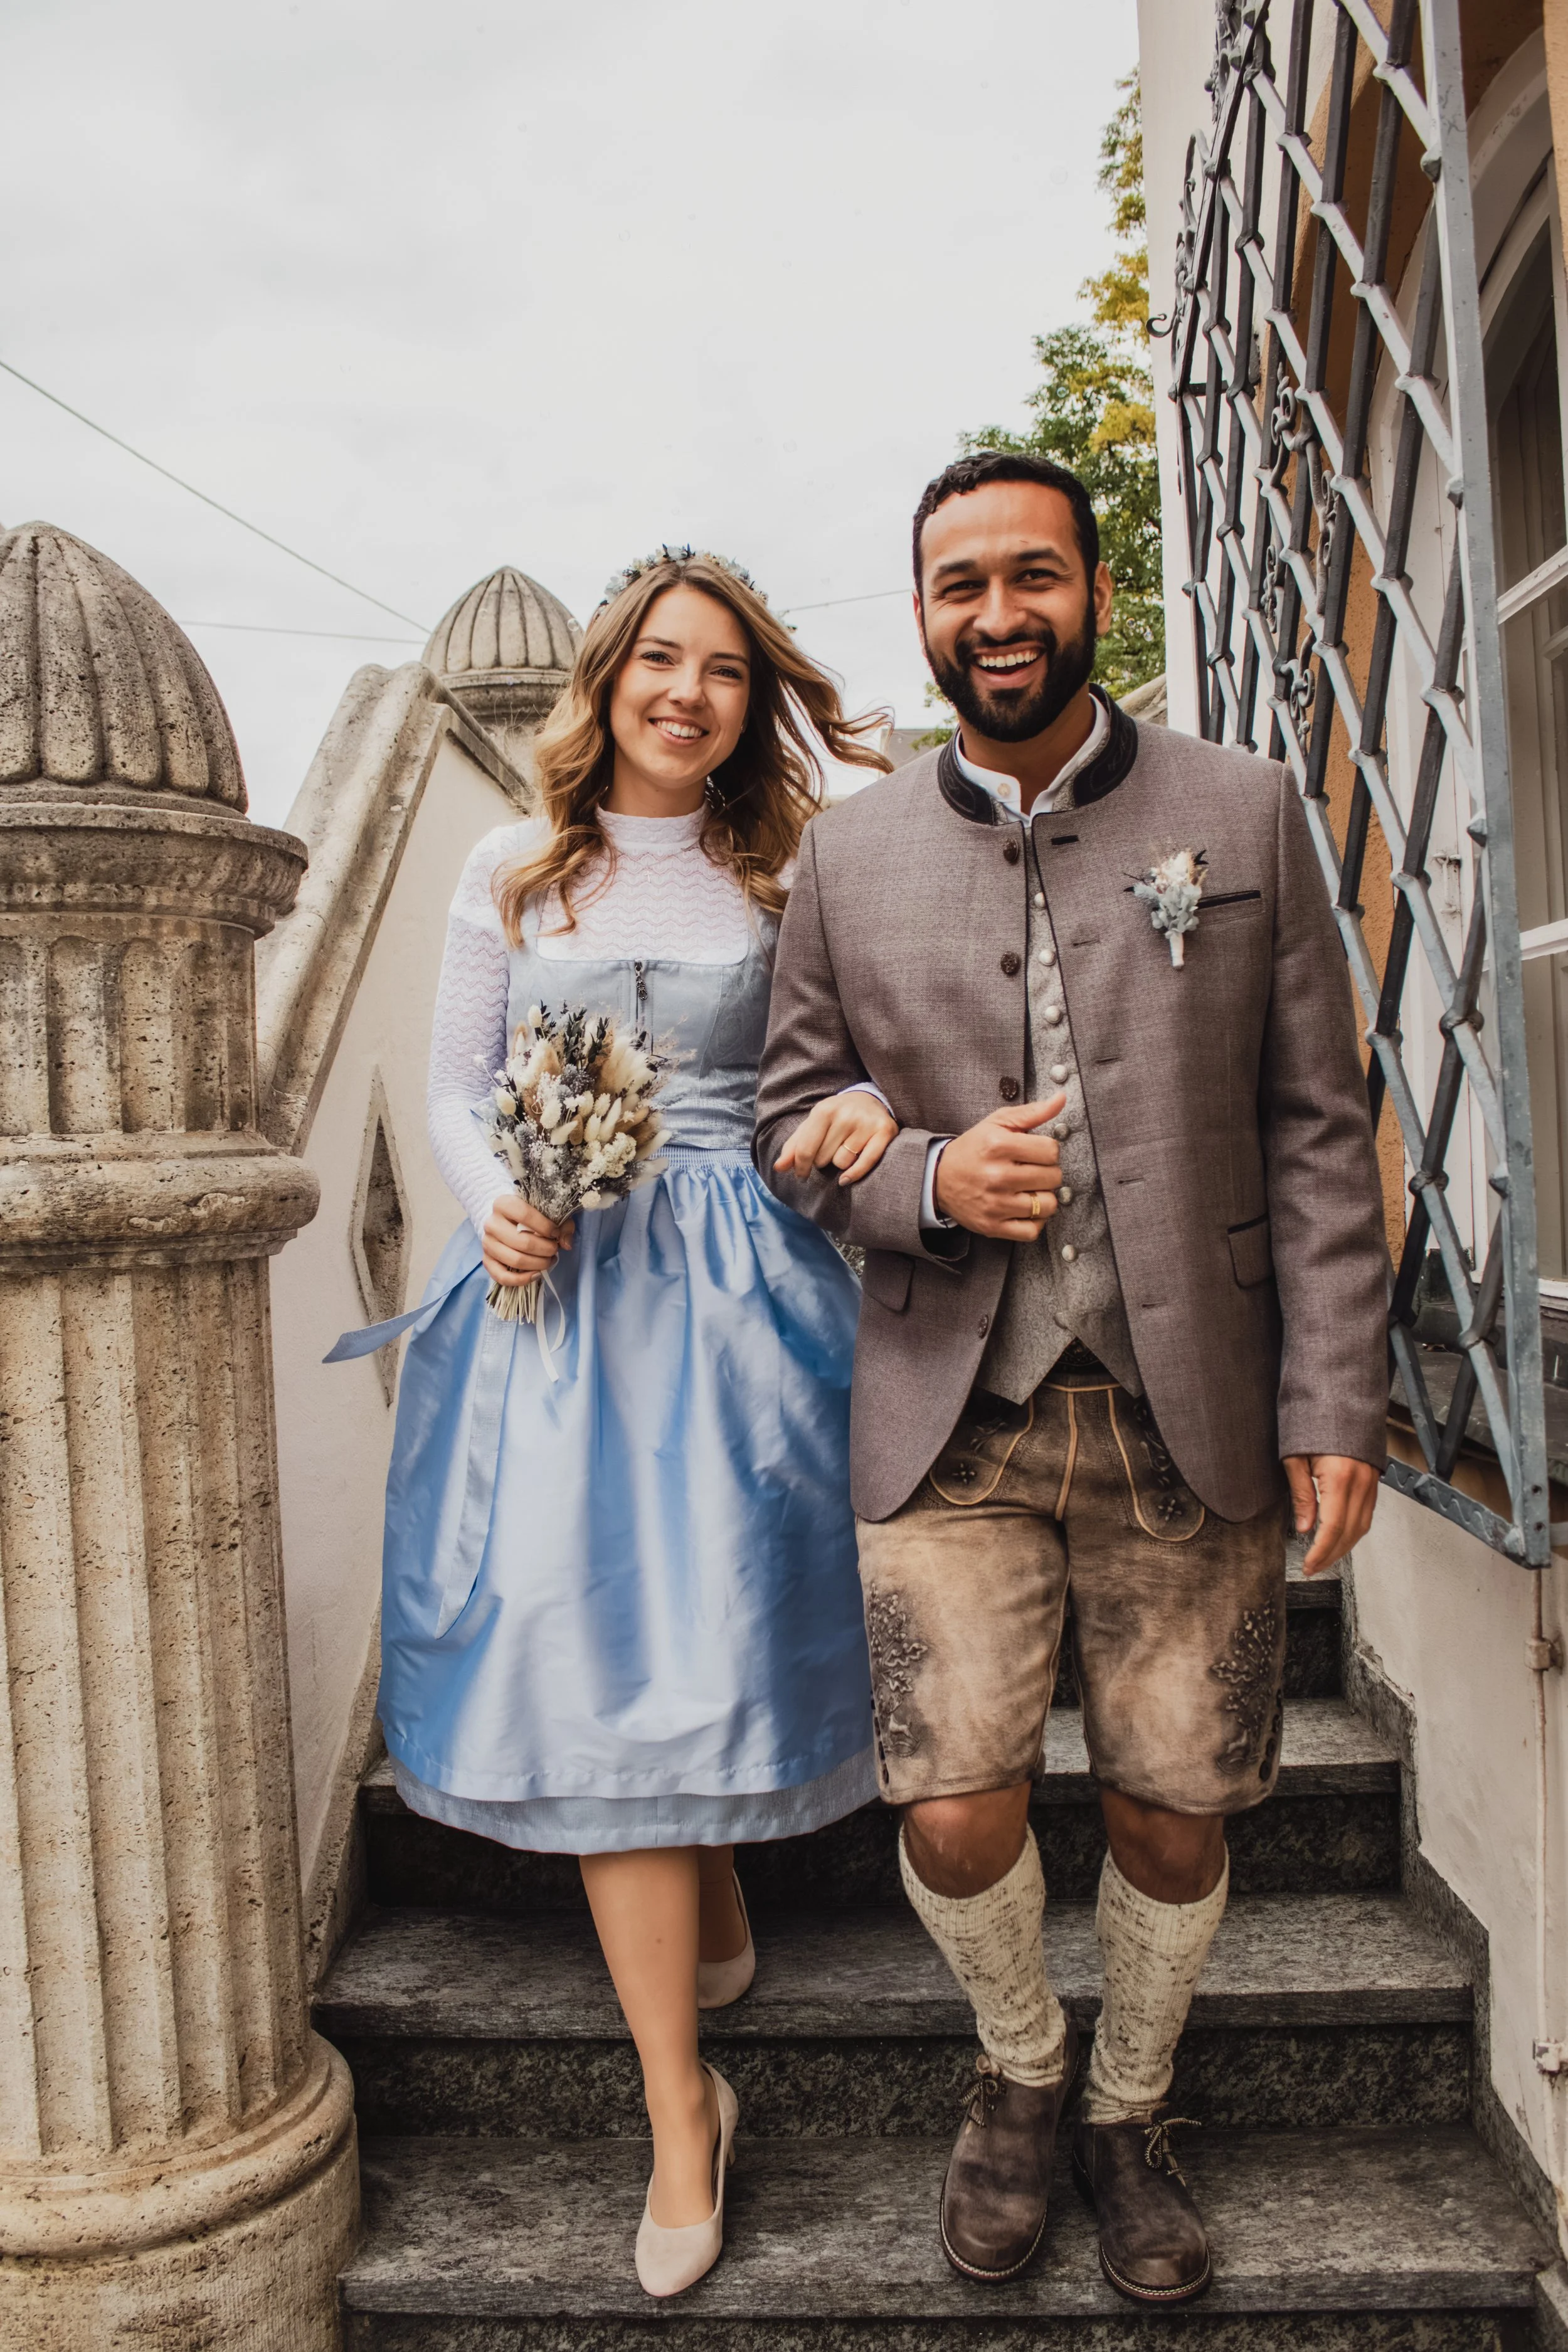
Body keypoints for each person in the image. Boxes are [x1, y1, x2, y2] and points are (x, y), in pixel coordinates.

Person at [756, 452, 1387, 2304]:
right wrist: (924, 1179)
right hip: (948, 1402)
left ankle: (1128, 2101)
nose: (997, 614)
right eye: (959, 586)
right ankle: (1021, 2060)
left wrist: (1335, 1388)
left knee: (1173, 1804)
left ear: (1091, 592)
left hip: (1188, 1402)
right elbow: (789, 1115)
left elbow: (1315, 1126)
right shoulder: (844, 852)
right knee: (949, 1803)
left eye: (1030, 576)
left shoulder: (1243, 806)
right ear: (924, 615)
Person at [354, 547, 893, 2299]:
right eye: (658, 659)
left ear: (752, 700)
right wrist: (496, 1187)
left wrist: (858, 1118)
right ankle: (683, 2105)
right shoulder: (510, 867)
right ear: (607, 681)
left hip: (742, 1297)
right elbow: (452, 1084)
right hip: (560, 1289)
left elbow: (854, 1065)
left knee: (708, 1625)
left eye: (724, 669)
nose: (688, 691)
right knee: (590, 1643)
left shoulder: (787, 865)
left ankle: (714, 1907)